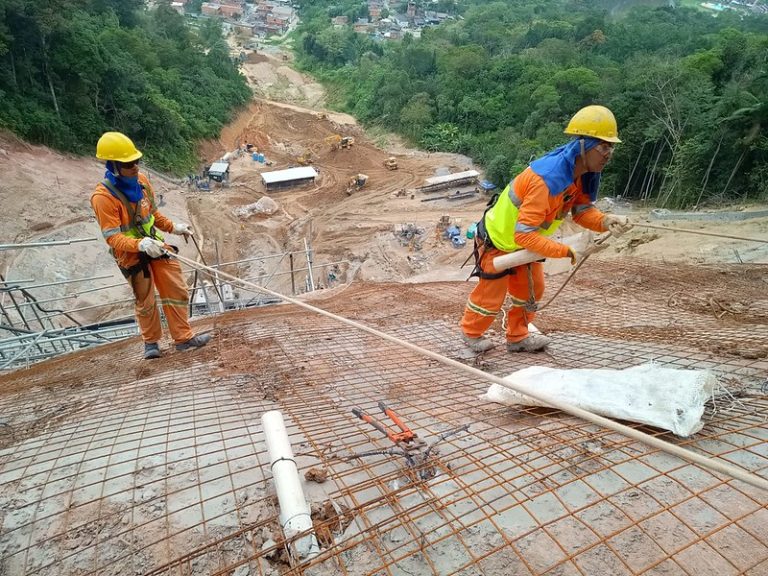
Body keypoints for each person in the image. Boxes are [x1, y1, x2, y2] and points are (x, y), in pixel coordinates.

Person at [459, 105, 632, 353]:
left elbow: (581, 211)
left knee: (531, 290)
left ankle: (517, 337)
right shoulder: (546, 180)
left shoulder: (581, 174)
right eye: (604, 146)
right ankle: (471, 334)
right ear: (584, 146)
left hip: (526, 244)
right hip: (498, 242)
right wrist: (566, 251)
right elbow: (523, 233)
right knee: (490, 295)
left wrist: (605, 221)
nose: (609, 153)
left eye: (611, 147)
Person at [90, 131, 211, 360]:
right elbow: (113, 237)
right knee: (145, 299)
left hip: (154, 245)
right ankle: (151, 343)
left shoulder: (142, 183)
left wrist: (173, 227)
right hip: (131, 255)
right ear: (114, 166)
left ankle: (183, 338)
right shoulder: (103, 198)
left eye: (136, 161)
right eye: (128, 164)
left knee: (176, 289)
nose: (135, 167)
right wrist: (140, 244)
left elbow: (152, 214)